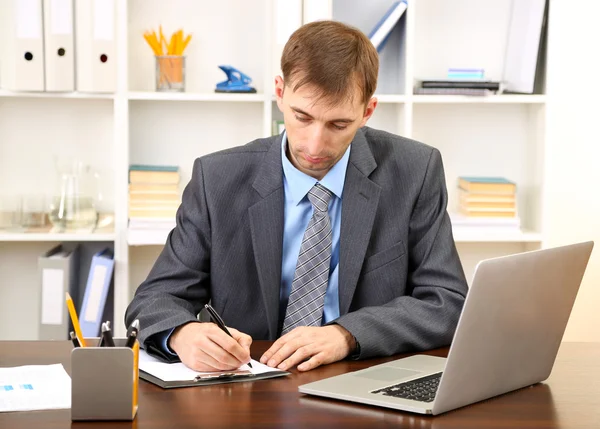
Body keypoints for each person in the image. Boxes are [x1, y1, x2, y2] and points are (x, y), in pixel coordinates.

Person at [125, 20, 468, 373]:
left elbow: (448, 302)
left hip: (362, 374)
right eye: (302, 117)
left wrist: (347, 334)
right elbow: (154, 300)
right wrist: (183, 333)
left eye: (338, 124)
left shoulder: (415, 170)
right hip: (249, 385)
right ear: (280, 92)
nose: (315, 145)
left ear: (367, 111)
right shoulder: (217, 180)